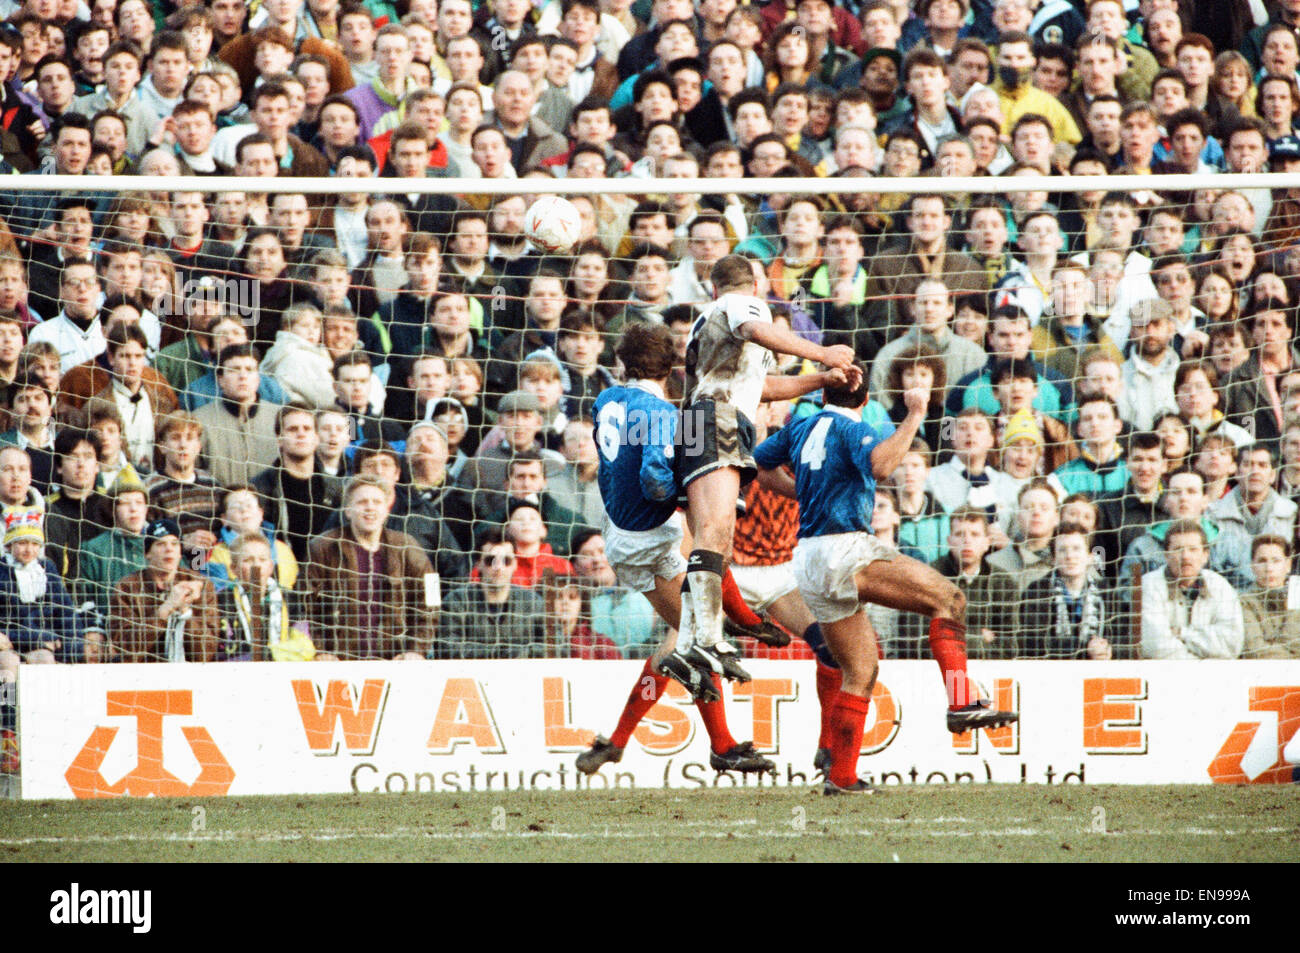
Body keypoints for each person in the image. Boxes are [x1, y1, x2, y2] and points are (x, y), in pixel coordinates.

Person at [755, 363, 1017, 795]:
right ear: (863, 400)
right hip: (844, 548)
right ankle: (961, 700)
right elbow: (880, 466)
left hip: (806, 559)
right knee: (949, 600)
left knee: (859, 670)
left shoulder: (800, 427)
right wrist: (915, 413)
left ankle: (841, 777)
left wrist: (803, 489)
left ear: (824, 395)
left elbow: (761, 468)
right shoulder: (853, 427)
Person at [574, 323, 777, 778]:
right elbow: (653, 477)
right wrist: (682, 491)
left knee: (681, 637)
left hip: (624, 533)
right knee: (695, 641)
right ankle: (722, 745)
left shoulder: (606, 400)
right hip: (650, 538)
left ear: (622, 364)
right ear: (672, 369)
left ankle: (618, 742)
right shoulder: (663, 413)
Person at [668, 253, 857, 687]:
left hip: (699, 420)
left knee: (710, 533)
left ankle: (688, 644)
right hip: (720, 419)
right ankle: (707, 638)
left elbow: (762, 388)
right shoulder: (745, 305)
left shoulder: (709, 319)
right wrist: (823, 353)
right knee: (716, 530)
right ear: (752, 284)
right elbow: (758, 329)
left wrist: (819, 379)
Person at [304, 474, 436, 660]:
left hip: (395, 660)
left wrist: (416, 649)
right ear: (348, 510)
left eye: (377, 502)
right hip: (340, 661)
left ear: (386, 509)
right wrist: (321, 651)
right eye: (362, 502)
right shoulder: (322, 547)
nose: (370, 507)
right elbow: (306, 605)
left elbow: (432, 597)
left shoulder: (408, 546)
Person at [110, 518, 220, 662]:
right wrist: (164, 611)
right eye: (160, 544)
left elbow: (205, 652)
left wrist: (185, 612)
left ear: (180, 552)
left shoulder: (201, 584)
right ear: (147, 553)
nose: (169, 549)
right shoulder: (127, 587)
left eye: (174, 544)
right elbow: (126, 647)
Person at [1016, 523, 1124, 659]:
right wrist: (1085, 649)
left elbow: (1123, 638)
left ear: (1090, 557)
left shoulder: (1107, 593)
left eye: (1076, 549)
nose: (1070, 556)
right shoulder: (1036, 592)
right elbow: (1031, 643)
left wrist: (1108, 649)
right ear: (1053, 559)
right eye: (1062, 550)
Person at [1140, 519, 1244, 659]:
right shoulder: (1150, 585)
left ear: (1205, 555)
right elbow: (1156, 647)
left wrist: (1182, 633)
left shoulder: (1220, 586)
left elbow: (1232, 644)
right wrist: (1199, 663)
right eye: (1178, 549)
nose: (1185, 556)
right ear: (1166, 555)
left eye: (1193, 549)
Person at [0, 521, 91, 664]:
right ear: (9, 545)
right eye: (22, 543)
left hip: (41, 643)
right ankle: (7, 688)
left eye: (35, 544)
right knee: (7, 663)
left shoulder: (46, 569)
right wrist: (37, 639)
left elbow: (65, 611)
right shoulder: (2, 570)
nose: (29, 550)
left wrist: (68, 649)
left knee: (45, 659)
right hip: (8, 641)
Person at [215, 532, 314, 662]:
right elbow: (220, 652)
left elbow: (304, 647)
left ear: (271, 566)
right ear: (234, 569)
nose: (257, 565)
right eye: (248, 560)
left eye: (263, 559)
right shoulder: (220, 600)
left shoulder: (291, 599)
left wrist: (267, 655)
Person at [1238, 535, 1300, 659]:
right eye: (1262, 561)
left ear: (1288, 565)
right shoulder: (1244, 602)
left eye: (1276, 561)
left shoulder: (1297, 593)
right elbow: (1255, 649)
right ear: (1252, 566)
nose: (1269, 568)